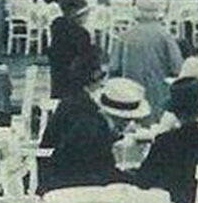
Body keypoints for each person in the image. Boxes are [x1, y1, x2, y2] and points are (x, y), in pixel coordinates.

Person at [37, 63, 143, 194]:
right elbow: (99, 173)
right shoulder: (93, 128)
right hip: (71, 191)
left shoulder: (92, 120)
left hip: (62, 182)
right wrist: (135, 181)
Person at [110, 0, 185, 116]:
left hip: (131, 96)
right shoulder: (165, 36)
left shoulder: (125, 37)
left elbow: (114, 68)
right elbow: (177, 67)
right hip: (159, 95)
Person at [48, 0, 100, 98]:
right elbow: (84, 60)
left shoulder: (58, 28)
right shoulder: (81, 34)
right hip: (75, 83)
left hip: (58, 79)